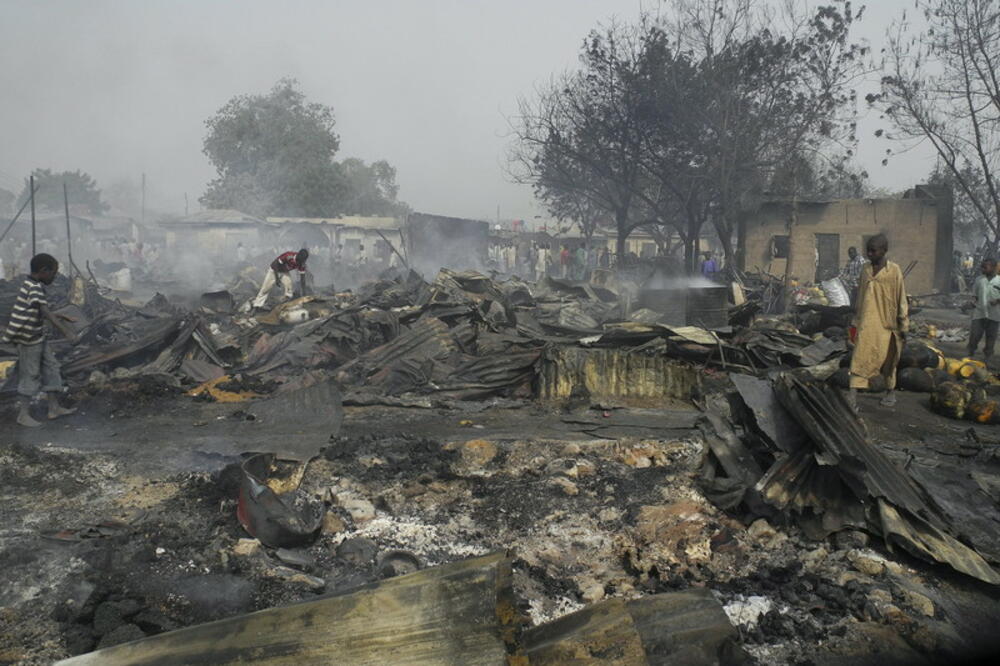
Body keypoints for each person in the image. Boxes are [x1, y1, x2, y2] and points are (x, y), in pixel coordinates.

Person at [2, 253, 79, 427]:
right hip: (28, 339)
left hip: (37, 336)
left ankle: (54, 408)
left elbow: (37, 309)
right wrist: (67, 333)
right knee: (31, 374)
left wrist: (61, 316)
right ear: (44, 271)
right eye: (54, 272)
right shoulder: (34, 287)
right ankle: (23, 414)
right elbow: (45, 313)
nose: (55, 276)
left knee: (52, 368)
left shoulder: (32, 284)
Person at [848, 235, 908, 409]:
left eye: (873, 250)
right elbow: (860, 298)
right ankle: (852, 397)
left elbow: (901, 298)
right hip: (867, 323)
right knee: (859, 358)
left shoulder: (894, 271)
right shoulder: (865, 269)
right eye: (868, 250)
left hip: (888, 325)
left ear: (884, 250)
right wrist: (855, 322)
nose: (869, 253)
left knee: (889, 362)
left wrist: (904, 325)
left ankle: (890, 391)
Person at [245, 248, 309, 311]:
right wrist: (277, 279)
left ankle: (285, 302)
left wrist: (304, 293)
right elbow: (276, 263)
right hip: (274, 270)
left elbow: (302, 278)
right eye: (300, 260)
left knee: (289, 286)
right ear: (298, 255)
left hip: (284, 272)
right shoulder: (288, 256)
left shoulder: (302, 263)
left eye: (303, 260)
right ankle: (256, 306)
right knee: (265, 289)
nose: (301, 262)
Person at [969, 257, 1000, 360]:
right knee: (974, 335)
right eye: (982, 267)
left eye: (985, 267)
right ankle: (971, 352)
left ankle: (988, 357)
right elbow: (974, 294)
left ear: (994, 268)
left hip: (994, 314)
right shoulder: (979, 280)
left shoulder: (999, 280)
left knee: (991, 337)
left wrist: (997, 301)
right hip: (979, 312)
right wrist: (973, 301)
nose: (983, 269)